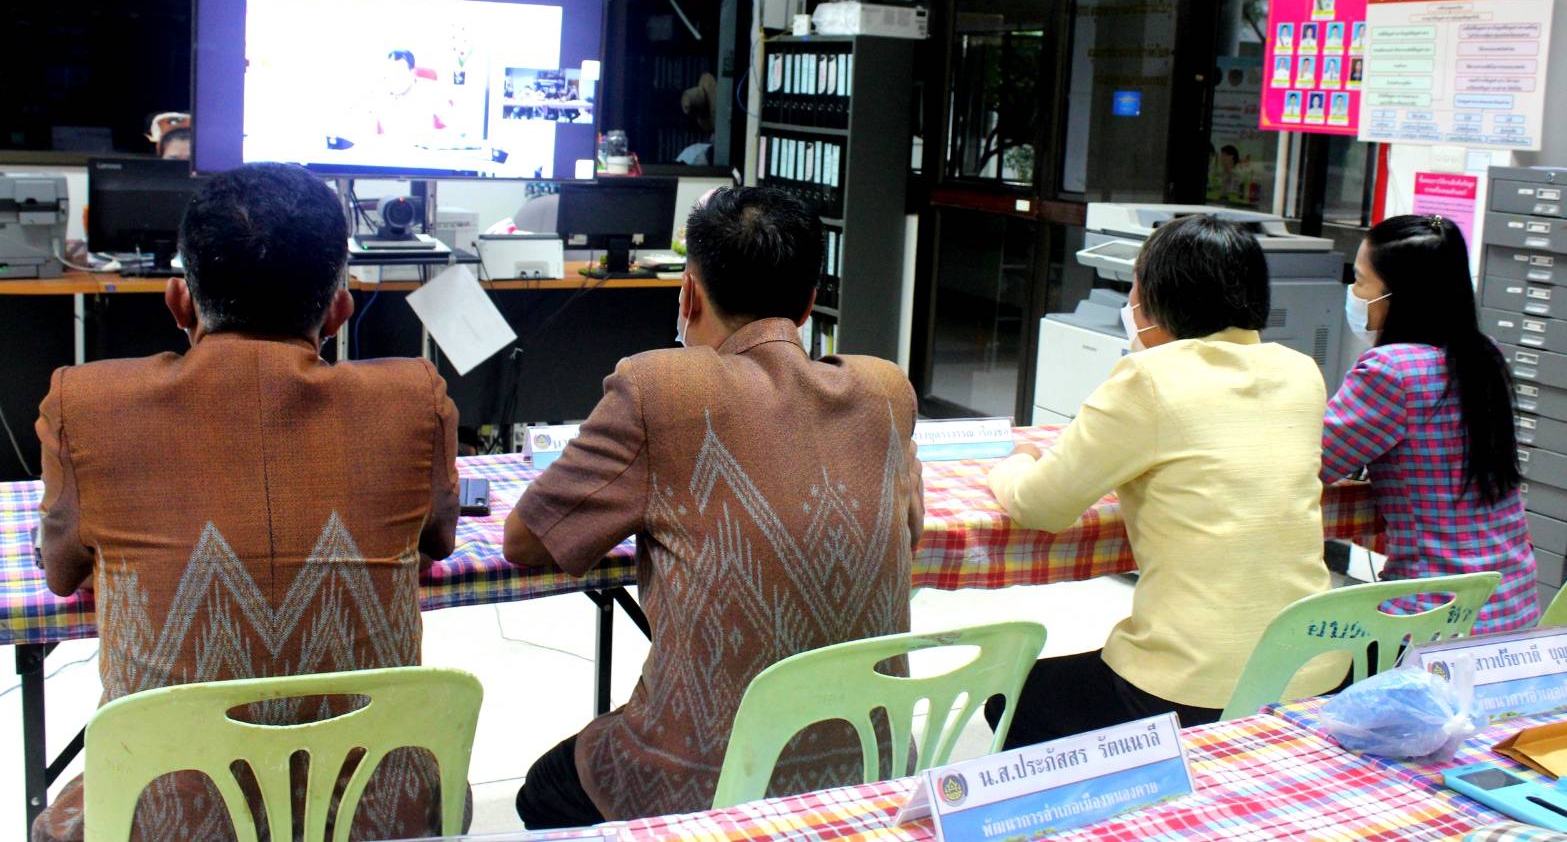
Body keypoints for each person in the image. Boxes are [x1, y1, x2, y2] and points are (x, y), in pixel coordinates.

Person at [32, 163, 462, 842]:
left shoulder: (84, 406)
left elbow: (60, 572)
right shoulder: (414, 397)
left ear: (178, 302)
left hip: (163, 818)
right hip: (384, 817)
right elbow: (439, 539)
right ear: (339, 309)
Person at [503, 185, 923, 827]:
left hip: (705, 781)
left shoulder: (660, 387)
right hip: (871, 768)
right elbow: (906, 533)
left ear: (688, 294)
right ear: (810, 303)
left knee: (541, 790)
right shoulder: (886, 390)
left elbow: (527, 543)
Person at [983, 215, 1338, 745]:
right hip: (1313, 669)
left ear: (1157, 298)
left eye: (1134, 286)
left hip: (1194, 689)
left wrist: (1014, 460)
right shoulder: (1300, 371)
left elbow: (1040, 506)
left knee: (1009, 703)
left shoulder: (1148, 378)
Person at [1324, 214, 1537, 632]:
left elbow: (1312, 463)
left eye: (1362, 281)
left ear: (1400, 295)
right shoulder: (1484, 354)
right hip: (1511, 606)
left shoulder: (1391, 370)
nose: (1353, 292)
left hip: (1432, 618)